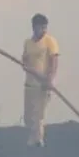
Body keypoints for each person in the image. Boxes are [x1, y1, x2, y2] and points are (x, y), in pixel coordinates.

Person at [21, 13, 60, 147]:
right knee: (28, 117)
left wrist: (50, 78)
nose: (43, 30)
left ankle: (37, 142)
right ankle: (33, 138)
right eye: (40, 27)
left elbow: (54, 61)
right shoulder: (28, 42)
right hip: (30, 84)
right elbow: (24, 61)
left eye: (45, 27)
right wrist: (27, 67)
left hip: (43, 84)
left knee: (38, 115)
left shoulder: (50, 41)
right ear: (34, 27)